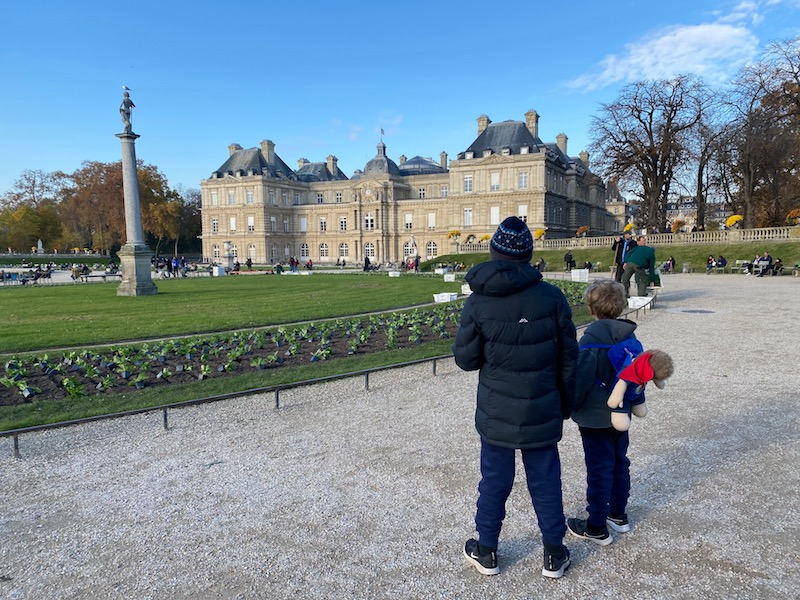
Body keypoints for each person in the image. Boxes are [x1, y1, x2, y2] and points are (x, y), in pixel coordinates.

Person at [453, 216, 578, 579]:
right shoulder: (553, 298)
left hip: (497, 408)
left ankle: (488, 549)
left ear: (494, 252)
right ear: (529, 254)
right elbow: (569, 360)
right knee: (545, 480)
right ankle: (554, 552)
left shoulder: (478, 301)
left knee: (494, 480)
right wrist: (565, 406)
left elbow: (465, 360)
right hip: (542, 405)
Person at [567, 279, 642, 547]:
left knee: (599, 467)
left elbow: (581, 382)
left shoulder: (589, 342)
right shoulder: (629, 338)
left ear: (591, 309)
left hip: (595, 416)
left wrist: (569, 406)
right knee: (619, 461)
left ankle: (596, 525)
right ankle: (618, 513)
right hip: (621, 413)